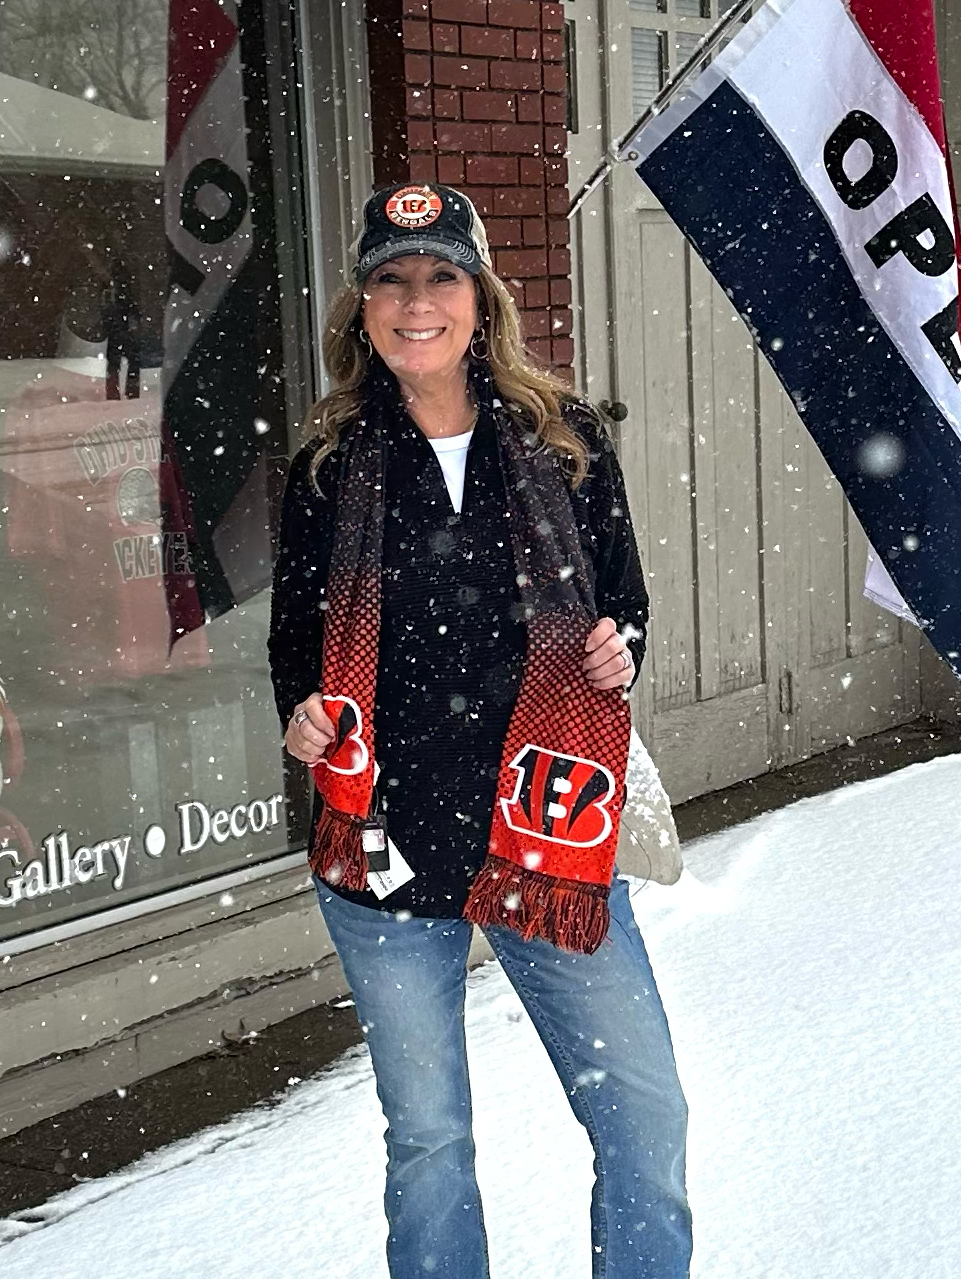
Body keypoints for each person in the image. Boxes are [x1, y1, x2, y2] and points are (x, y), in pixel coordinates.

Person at [268, 183, 691, 1279]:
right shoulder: (327, 469)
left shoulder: (563, 442)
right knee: (431, 1144)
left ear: (480, 296)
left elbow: (624, 605)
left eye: (439, 275)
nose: (416, 301)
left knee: (644, 1119)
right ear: (362, 307)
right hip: (384, 846)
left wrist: (618, 649)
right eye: (390, 279)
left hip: (547, 832)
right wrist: (304, 719)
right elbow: (295, 645)